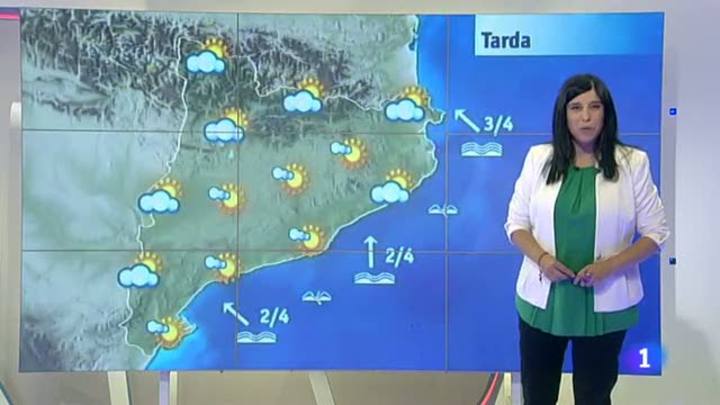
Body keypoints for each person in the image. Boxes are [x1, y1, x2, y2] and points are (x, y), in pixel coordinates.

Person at [504, 73, 669, 405]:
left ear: (606, 113)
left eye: (594, 107)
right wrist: (543, 259)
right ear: (563, 115)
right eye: (576, 108)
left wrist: (610, 266)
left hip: (607, 302)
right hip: (544, 301)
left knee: (594, 396)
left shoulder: (633, 163)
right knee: (537, 395)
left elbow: (656, 233)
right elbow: (516, 224)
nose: (586, 117)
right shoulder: (538, 158)